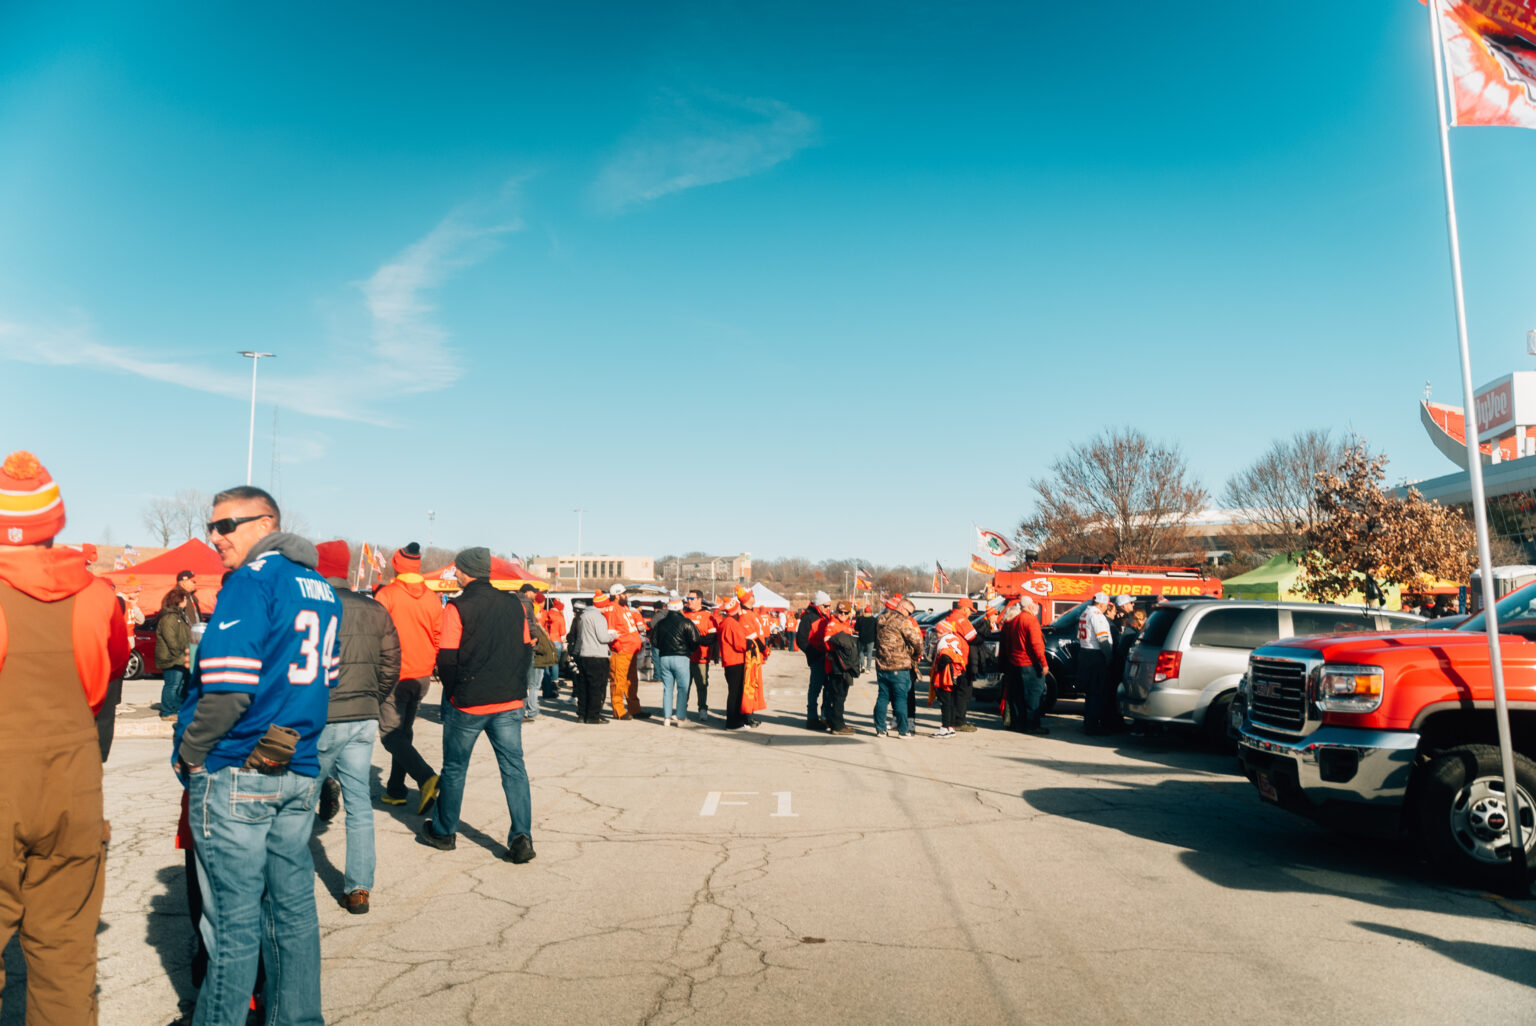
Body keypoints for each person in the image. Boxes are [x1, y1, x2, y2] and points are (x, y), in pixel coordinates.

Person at [175, 484, 339, 1026]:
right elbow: (327, 680)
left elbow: (229, 689)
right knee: (292, 913)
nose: (215, 537)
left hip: (239, 766)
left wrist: (192, 752)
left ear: (266, 523)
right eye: (211, 527)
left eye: (226, 525)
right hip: (297, 765)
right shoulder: (320, 586)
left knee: (232, 924)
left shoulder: (252, 579)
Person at [0, 450, 127, 1025]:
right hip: (73, 781)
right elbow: (108, 676)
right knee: (66, 951)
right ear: (54, 523)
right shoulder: (97, 594)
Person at [418, 547, 536, 863]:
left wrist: (454, 694)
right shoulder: (514, 604)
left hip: (469, 703)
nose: (455, 574)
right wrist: (517, 688)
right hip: (509, 701)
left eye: (457, 569)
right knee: (514, 769)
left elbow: (447, 659)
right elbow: (526, 650)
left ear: (467, 571)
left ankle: (444, 832)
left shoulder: (458, 606)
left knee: (455, 769)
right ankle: (522, 837)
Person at [312, 541, 399, 915]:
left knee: (299, 804)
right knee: (360, 803)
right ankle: (359, 888)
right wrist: (372, 699)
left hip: (320, 716)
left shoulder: (311, 608)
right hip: (362, 715)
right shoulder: (375, 609)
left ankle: (287, 884)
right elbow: (391, 663)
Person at [374, 542, 443, 813]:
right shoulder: (432, 597)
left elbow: (376, 634)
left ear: (396, 565)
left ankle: (426, 777)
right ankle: (395, 789)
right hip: (421, 675)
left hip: (393, 674)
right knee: (403, 732)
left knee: (390, 735)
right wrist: (430, 660)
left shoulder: (387, 595)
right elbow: (438, 635)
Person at [873, 594, 924, 737]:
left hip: (882, 665)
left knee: (883, 697)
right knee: (901, 699)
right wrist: (916, 654)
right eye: (909, 612)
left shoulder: (881, 619)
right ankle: (903, 730)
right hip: (899, 666)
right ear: (901, 608)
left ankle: (880, 729)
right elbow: (917, 641)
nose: (909, 615)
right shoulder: (903, 621)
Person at [999, 596, 1050, 735]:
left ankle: (1019, 724)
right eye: (1035, 604)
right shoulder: (1031, 620)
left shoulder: (1015, 620)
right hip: (1029, 664)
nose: (1037, 607)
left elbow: (1009, 644)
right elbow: (1036, 644)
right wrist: (1044, 663)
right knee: (1034, 694)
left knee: (1019, 695)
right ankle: (1032, 725)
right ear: (1030, 606)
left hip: (1016, 663)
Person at [649, 595, 699, 726]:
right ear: (680, 607)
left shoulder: (660, 623)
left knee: (667, 689)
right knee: (682, 688)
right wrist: (689, 651)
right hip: (681, 657)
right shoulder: (686, 622)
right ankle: (681, 718)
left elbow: (654, 641)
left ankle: (666, 718)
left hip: (664, 658)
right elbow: (695, 640)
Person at [814, 601, 860, 734]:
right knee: (838, 696)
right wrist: (841, 644)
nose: (843, 615)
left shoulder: (847, 625)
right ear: (836, 612)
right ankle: (837, 725)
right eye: (840, 612)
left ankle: (835, 721)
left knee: (841, 695)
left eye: (846, 613)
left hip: (845, 666)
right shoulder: (833, 624)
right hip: (837, 666)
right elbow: (827, 642)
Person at [605, 584, 648, 720]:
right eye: (624, 593)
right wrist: (619, 647)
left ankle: (634, 709)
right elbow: (610, 632)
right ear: (617, 595)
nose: (626, 595)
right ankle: (619, 711)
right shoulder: (612, 609)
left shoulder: (624, 607)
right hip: (622, 650)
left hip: (631, 650)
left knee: (632, 681)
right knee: (618, 681)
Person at [1077, 591, 1117, 734]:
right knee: (1096, 692)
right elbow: (1102, 639)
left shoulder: (1085, 612)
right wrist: (1109, 657)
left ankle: (1089, 722)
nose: (1106, 607)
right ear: (1101, 604)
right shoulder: (1097, 615)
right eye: (1106, 604)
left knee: (1090, 692)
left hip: (1085, 653)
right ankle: (1092, 725)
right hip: (1095, 655)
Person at [573, 594, 617, 723]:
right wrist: (614, 635)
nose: (607, 608)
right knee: (596, 688)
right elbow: (603, 638)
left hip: (584, 654)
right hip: (598, 656)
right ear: (602, 605)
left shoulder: (583, 616)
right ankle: (593, 716)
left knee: (584, 687)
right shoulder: (599, 617)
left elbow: (580, 637)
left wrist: (576, 652)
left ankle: (582, 714)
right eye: (606, 605)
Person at [157, 586, 195, 721]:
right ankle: (167, 712)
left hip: (180, 657)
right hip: (171, 658)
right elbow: (171, 639)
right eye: (185, 599)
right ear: (178, 600)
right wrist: (181, 652)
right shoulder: (169, 618)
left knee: (180, 685)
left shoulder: (180, 616)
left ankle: (177, 709)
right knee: (172, 685)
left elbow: (184, 635)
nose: (186, 601)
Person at [943, 600, 981, 733]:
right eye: (970, 610)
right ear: (964, 609)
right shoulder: (962, 620)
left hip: (950, 659)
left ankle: (953, 720)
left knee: (953, 693)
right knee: (964, 692)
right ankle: (959, 721)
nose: (970, 614)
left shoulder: (949, 618)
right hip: (961, 661)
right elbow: (973, 638)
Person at [520, 585, 556, 722]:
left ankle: (523, 710)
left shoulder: (517, 603)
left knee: (527, 683)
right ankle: (532, 710)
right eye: (534, 592)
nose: (535, 595)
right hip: (534, 652)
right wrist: (535, 636)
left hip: (525, 650)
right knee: (534, 684)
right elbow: (529, 623)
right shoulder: (528, 607)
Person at [796, 591, 831, 730]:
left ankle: (825, 717)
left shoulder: (825, 616)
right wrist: (813, 654)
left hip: (828, 658)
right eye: (826, 606)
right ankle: (812, 718)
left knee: (828, 689)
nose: (828, 608)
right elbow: (801, 640)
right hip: (817, 658)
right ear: (819, 605)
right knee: (815, 689)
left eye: (829, 605)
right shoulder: (808, 618)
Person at [929, 617, 969, 738]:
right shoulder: (955, 638)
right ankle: (951, 727)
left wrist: (938, 668)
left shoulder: (944, 641)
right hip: (957, 674)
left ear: (942, 631)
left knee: (945, 703)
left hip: (945, 676)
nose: (936, 633)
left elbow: (946, 657)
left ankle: (944, 728)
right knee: (952, 702)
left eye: (937, 631)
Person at [682, 590, 717, 721]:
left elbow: (712, 637)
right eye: (688, 598)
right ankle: (682, 709)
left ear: (699, 600)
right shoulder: (683, 614)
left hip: (701, 657)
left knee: (702, 685)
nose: (688, 601)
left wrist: (695, 640)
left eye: (691, 598)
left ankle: (702, 709)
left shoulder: (707, 616)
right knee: (684, 685)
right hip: (685, 658)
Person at [538, 596, 567, 703]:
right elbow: (563, 632)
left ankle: (545, 682)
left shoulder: (546, 613)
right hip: (556, 641)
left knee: (545, 664)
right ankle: (555, 681)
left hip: (546, 640)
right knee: (554, 663)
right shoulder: (560, 617)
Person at [855, 605, 878, 675]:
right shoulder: (874, 619)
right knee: (869, 653)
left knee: (861, 652)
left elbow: (856, 628)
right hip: (871, 639)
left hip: (861, 638)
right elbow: (876, 630)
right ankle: (868, 668)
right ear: (870, 612)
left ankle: (862, 666)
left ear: (864, 612)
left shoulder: (860, 619)